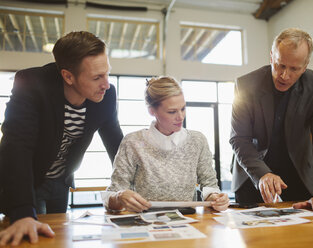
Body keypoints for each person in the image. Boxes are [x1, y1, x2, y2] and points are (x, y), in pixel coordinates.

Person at [0, 31, 123, 245]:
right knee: (33, 236)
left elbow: (116, 144)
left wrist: (128, 188)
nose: (106, 84)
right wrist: (22, 213)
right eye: (97, 77)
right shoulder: (31, 83)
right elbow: (17, 146)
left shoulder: (106, 95)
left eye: (107, 73)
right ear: (68, 76)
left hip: (62, 179)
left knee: (59, 237)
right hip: (28, 180)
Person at [230, 28, 313, 214]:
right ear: (271, 57)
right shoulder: (246, 85)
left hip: (298, 172)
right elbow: (239, 139)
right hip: (253, 171)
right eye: (280, 65)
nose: (284, 75)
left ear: (305, 66)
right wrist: (262, 174)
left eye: (294, 69)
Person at [103, 76, 229, 212]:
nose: (180, 117)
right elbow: (113, 194)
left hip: (187, 220)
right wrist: (119, 196)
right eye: (172, 111)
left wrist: (216, 198)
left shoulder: (197, 140)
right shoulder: (133, 142)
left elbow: (209, 185)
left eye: (183, 109)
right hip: (145, 221)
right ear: (152, 111)